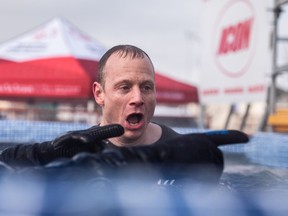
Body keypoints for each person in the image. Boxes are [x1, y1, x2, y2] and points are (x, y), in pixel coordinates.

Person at [0, 45, 248, 184]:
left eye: (146, 87)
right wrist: (50, 153)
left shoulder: (181, 152)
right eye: (125, 87)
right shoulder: (73, 148)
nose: (138, 98)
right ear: (99, 94)